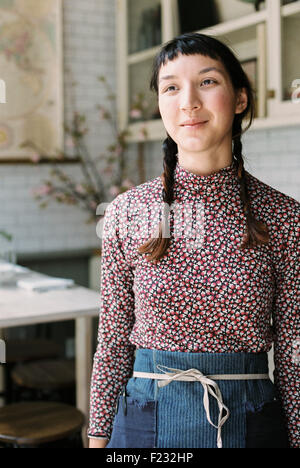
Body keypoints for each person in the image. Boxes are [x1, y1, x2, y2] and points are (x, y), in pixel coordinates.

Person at [88, 32, 299, 449]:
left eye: (207, 82)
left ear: (240, 99)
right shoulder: (127, 213)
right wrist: (96, 440)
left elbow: (295, 353)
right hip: (143, 425)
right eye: (171, 87)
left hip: (251, 425)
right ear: (160, 105)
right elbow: (111, 345)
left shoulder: (285, 217)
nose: (188, 101)